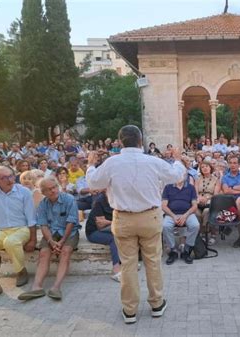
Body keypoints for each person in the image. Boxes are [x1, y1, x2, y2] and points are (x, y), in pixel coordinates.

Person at [85, 125, 185, 324]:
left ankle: (129, 310)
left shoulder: (112, 162)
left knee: (128, 264)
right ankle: (156, 304)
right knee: (153, 262)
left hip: (123, 219)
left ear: (120, 141)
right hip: (150, 218)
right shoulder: (153, 161)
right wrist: (179, 159)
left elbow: (94, 183)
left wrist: (89, 165)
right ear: (141, 141)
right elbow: (177, 176)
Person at [0, 166, 36, 304]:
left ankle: (21, 271)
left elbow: (31, 218)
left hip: (22, 229)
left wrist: (33, 239)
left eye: (11, 176)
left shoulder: (24, 191)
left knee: (10, 241)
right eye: (4, 178)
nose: (10, 180)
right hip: (0, 230)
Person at [18, 176, 81, 301]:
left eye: (54, 187)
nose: (53, 191)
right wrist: (51, 241)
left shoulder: (69, 199)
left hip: (69, 232)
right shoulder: (43, 204)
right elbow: (43, 225)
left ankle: (56, 287)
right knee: (44, 253)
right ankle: (36, 287)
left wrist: (62, 241)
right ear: (43, 192)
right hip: (51, 232)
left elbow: (71, 222)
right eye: (49, 189)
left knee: (65, 251)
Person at [162, 173, 200, 265]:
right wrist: (174, 216)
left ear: (185, 176)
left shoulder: (190, 187)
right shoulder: (168, 187)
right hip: (171, 214)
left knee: (195, 225)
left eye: (181, 174)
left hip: (187, 213)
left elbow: (194, 205)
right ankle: (173, 250)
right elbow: (163, 205)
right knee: (165, 226)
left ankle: (186, 250)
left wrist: (185, 215)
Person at [85, 191, 121, 281]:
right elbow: (100, 225)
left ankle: (128, 263)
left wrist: (109, 222)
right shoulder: (99, 201)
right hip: (94, 232)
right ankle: (116, 270)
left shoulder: (119, 200)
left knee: (126, 234)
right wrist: (117, 222)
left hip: (110, 228)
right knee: (114, 239)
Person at [221, 155, 240, 248]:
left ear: (238, 165)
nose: (233, 165)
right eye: (231, 163)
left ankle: (230, 222)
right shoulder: (225, 177)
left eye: (235, 163)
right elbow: (226, 191)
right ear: (228, 164)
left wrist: (233, 187)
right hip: (229, 202)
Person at [195, 161, 221, 244]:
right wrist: (199, 198)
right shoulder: (198, 179)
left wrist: (206, 198)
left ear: (210, 168)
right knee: (196, 213)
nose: (205, 168)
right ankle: (202, 233)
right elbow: (195, 192)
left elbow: (216, 194)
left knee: (206, 212)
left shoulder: (216, 180)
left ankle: (212, 234)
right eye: (202, 167)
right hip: (198, 200)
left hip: (211, 200)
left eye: (207, 166)